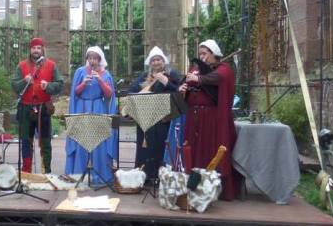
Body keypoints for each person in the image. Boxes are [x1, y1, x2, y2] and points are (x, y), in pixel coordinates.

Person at [179, 39, 239, 200]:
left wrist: (198, 79)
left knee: (210, 151)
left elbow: (217, 78)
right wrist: (183, 89)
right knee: (194, 152)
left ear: (214, 54)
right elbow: (188, 90)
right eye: (200, 54)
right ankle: (194, 188)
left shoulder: (224, 69)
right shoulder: (196, 69)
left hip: (212, 120)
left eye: (205, 53)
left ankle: (214, 190)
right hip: (194, 118)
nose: (202, 57)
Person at [65, 46, 118, 184]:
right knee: (81, 141)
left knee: (99, 141)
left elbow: (109, 94)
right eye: (90, 58)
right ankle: (78, 174)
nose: (92, 60)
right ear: (87, 59)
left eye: (95, 58)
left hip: (98, 109)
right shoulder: (80, 72)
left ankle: (99, 174)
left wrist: (99, 80)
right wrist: (83, 83)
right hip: (82, 108)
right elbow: (75, 92)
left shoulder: (106, 74)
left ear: (100, 59)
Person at [127, 46, 181, 180]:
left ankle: (159, 176)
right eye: (153, 60)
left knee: (160, 146)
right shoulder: (145, 76)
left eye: (159, 60)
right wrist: (146, 86)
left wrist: (165, 81)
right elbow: (132, 90)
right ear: (150, 63)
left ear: (163, 61)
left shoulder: (172, 74)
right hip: (146, 119)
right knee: (144, 148)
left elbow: (179, 91)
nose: (156, 62)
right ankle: (144, 176)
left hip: (163, 119)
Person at [11, 37, 64, 173]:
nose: (36, 50)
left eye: (38, 48)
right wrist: (24, 81)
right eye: (34, 48)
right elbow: (14, 86)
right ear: (30, 49)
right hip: (25, 108)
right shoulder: (21, 66)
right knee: (26, 142)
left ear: (42, 50)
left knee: (45, 142)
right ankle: (26, 171)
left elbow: (60, 85)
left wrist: (49, 86)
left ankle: (46, 172)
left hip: (43, 109)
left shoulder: (51, 65)